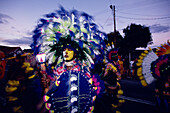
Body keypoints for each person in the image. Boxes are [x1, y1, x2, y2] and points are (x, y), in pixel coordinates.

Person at [31, 6, 106, 113]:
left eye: (69, 50)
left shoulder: (83, 68)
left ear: (75, 52)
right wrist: (46, 86)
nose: (65, 52)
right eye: (64, 49)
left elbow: (87, 91)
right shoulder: (58, 69)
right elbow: (51, 92)